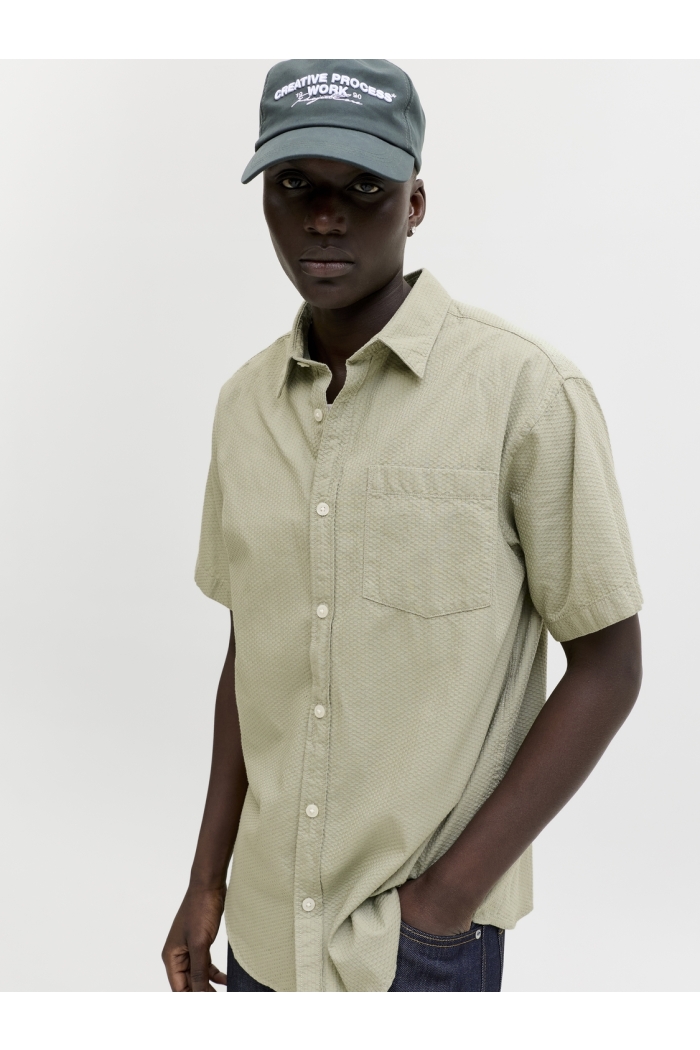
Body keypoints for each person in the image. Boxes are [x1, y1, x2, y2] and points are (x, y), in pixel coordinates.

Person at [161, 59, 643, 993]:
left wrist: (444, 903)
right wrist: (207, 878)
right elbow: (254, 647)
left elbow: (610, 664)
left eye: (363, 189)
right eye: (295, 185)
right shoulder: (243, 406)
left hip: (417, 951)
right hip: (261, 930)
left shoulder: (525, 392)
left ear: (415, 203)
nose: (324, 218)